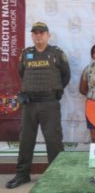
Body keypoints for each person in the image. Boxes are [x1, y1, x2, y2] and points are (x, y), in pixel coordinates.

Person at [6, 22, 71, 189]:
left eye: (41, 33)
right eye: (35, 33)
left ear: (48, 35)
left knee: (53, 141)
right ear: (32, 36)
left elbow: (66, 76)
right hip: (29, 104)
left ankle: (56, 175)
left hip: (49, 103)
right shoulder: (26, 54)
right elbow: (22, 73)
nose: (38, 35)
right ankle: (22, 174)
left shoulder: (56, 54)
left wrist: (53, 91)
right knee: (26, 140)